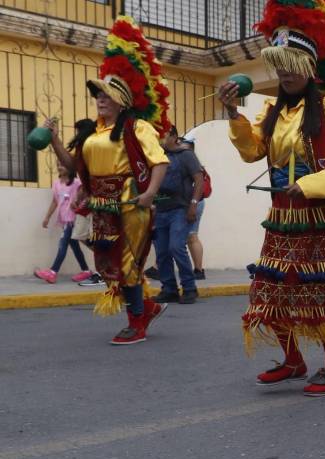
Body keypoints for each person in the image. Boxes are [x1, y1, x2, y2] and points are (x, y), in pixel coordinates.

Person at [219, 0, 325, 396]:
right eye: (279, 64)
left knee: (318, 293)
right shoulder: (271, 111)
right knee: (271, 291)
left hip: (319, 219)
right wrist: (233, 113)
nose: (284, 72)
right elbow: (252, 151)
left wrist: (308, 185)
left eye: (291, 63)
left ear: (308, 66)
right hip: (281, 219)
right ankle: (293, 360)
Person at [43, 16, 171, 345]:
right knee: (109, 263)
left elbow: (159, 162)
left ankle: (136, 324)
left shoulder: (137, 127)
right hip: (101, 202)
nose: (101, 99)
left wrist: (150, 194)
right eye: (98, 94)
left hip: (130, 200)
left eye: (108, 94)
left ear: (123, 100)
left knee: (128, 263)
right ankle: (148, 308)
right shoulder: (91, 132)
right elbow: (74, 166)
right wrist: (55, 140)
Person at [153, 126, 204, 304]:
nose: (160, 139)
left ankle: (190, 288)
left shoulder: (186, 155)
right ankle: (169, 289)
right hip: (160, 210)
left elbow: (199, 179)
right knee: (161, 252)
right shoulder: (156, 156)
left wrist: (193, 205)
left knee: (176, 247)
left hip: (180, 209)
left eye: (164, 134)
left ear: (174, 136)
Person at [34, 160, 92, 285]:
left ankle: (53, 272)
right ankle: (86, 271)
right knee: (74, 246)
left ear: (71, 168)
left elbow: (86, 195)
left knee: (63, 244)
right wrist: (47, 217)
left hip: (72, 219)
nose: (59, 167)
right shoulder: (56, 184)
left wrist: (78, 204)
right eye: (58, 165)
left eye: (62, 165)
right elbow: (55, 202)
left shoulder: (77, 183)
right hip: (63, 219)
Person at [179, 134, 208, 280]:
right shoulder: (195, 161)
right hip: (197, 201)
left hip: (193, 202)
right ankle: (198, 270)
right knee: (191, 235)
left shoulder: (187, 161)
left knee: (191, 235)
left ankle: (198, 269)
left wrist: (193, 205)